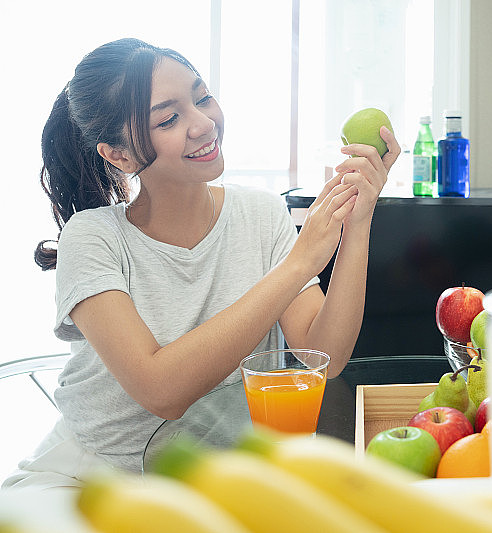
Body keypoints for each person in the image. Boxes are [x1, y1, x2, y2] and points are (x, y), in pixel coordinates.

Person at [3, 38, 399, 489]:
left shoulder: (260, 214)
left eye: (203, 96)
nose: (203, 123)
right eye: (168, 118)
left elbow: (323, 357)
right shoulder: (93, 237)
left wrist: (360, 218)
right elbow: (161, 391)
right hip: (96, 474)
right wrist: (298, 264)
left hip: (222, 466)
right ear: (119, 155)